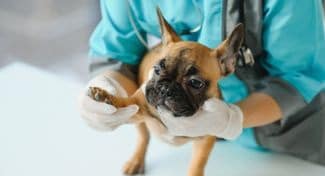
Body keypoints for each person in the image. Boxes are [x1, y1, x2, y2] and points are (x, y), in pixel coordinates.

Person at [79, 0, 325, 165]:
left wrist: (232, 118)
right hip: (216, 156)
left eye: (193, 82)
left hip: (290, 135)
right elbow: (117, 52)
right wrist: (108, 88)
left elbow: (298, 76)